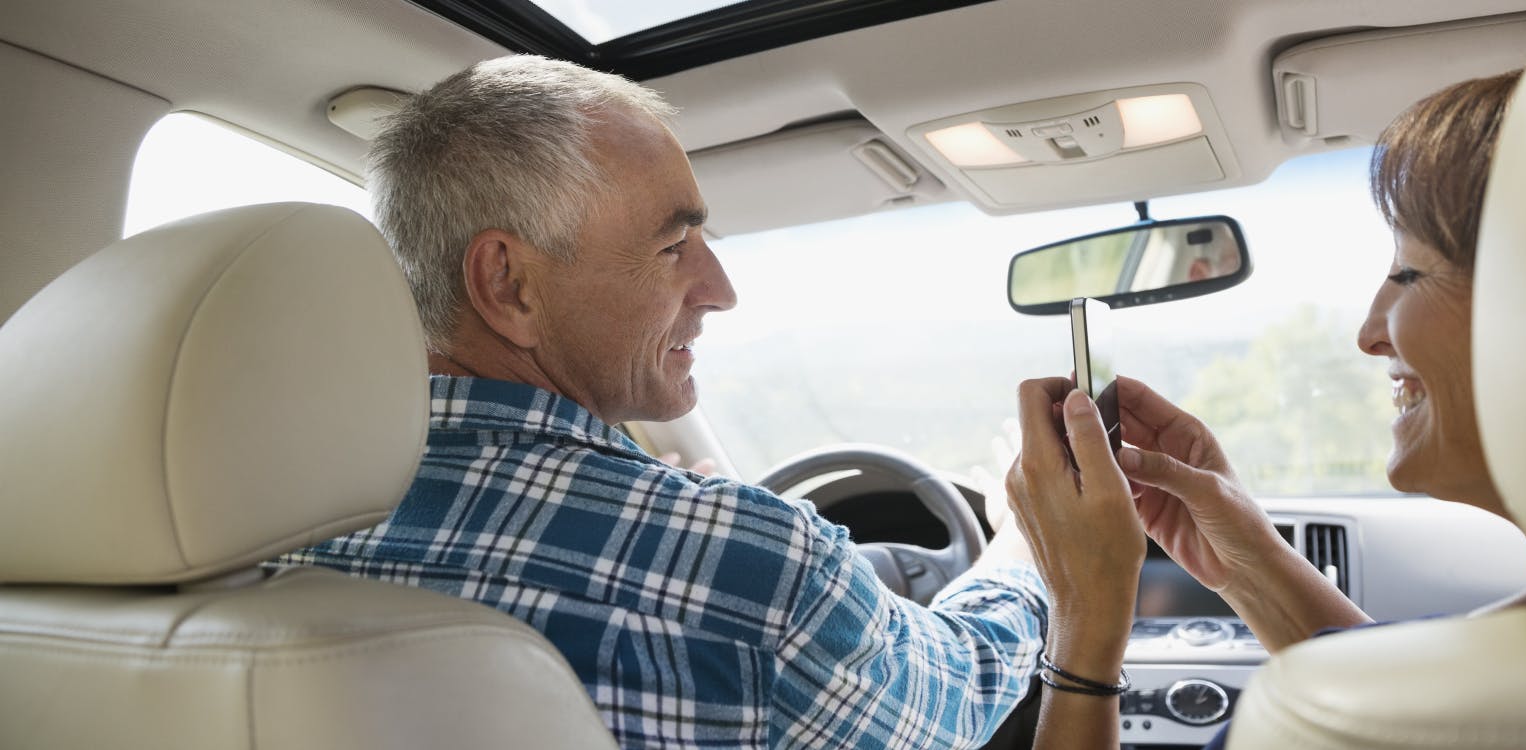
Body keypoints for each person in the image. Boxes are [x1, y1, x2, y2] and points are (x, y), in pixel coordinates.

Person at [273, 55, 1049, 750]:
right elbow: (955, 701)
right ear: (508, 284)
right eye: (673, 246)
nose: (721, 291)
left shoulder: (261, 528)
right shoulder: (751, 565)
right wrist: (1029, 544)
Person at [1005, 71, 1526, 748]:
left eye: (1409, 273)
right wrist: (1245, 565)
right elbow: (1380, 713)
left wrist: (1081, 623)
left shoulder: (1481, 701)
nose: (1369, 332)